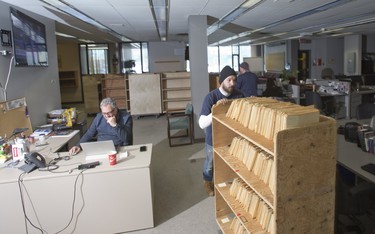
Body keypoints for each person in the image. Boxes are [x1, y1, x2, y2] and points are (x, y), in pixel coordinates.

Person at [199, 65, 244, 196]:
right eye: (229, 80)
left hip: (232, 138)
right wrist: (216, 110)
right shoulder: (211, 97)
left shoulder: (239, 95)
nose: (232, 83)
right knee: (210, 165)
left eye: (234, 80)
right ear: (222, 80)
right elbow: (202, 123)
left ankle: (229, 184)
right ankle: (207, 183)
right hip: (213, 138)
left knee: (231, 163)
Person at [69, 97, 133, 155]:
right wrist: (78, 145)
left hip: (119, 149)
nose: (106, 116)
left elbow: (127, 139)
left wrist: (115, 125)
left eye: (109, 112)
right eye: (104, 113)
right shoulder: (99, 117)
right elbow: (89, 134)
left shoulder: (126, 118)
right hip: (101, 149)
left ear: (115, 109)